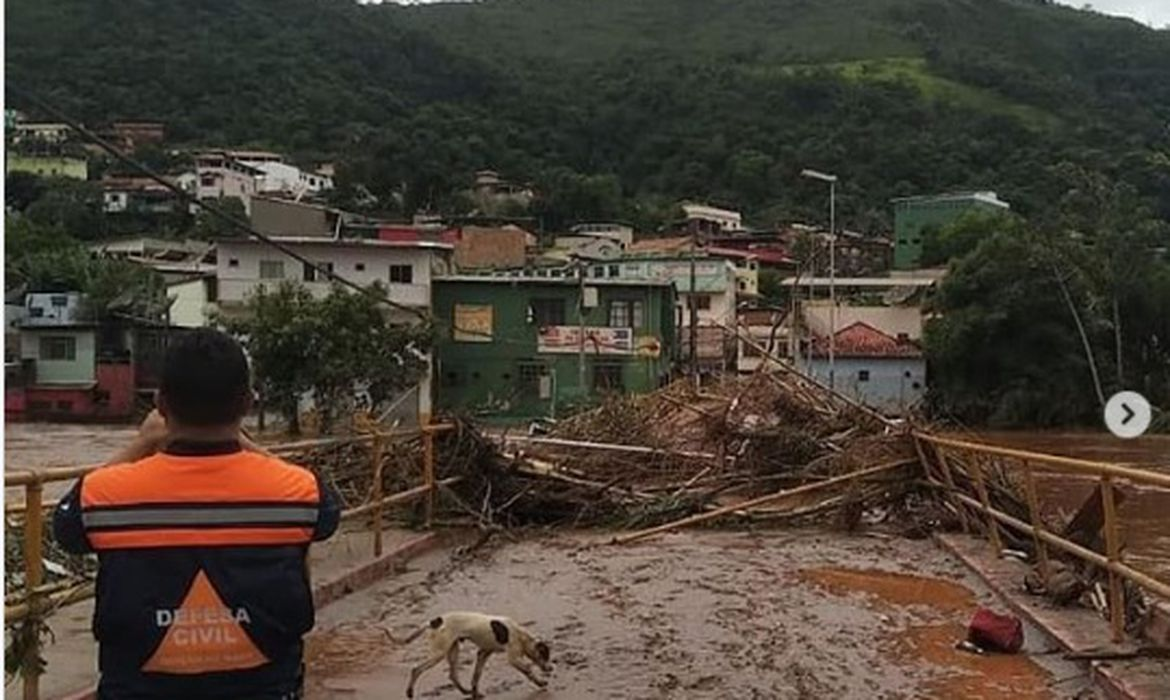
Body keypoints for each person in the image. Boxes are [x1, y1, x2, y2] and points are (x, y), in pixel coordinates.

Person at [54, 328, 341, 699]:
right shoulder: (299, 493)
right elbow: (328, 515)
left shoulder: (103, 495)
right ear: (247, 402)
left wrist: (140, 444)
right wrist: (246, 445)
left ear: (160, 403)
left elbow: (65, 528)